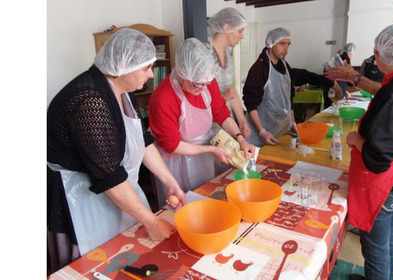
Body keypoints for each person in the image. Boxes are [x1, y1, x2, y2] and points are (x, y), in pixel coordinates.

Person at [47, 28, 184, 273]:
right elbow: (109, 178)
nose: (151, 75)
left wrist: (170, 181)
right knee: (93, 264)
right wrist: (151, 222)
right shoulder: (89, 100)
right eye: (146, 68)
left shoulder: (119, 89)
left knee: (122, 256)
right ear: (121, 65)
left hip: (111, 189)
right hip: (76, 198)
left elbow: (143, 141)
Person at [346, 23, 393, 280]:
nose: (375, 56)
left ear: (391, 55)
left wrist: (356, 139)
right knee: (389, 239)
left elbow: (377, 159)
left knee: (375, 247)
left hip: (385, 182)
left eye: (377, 51)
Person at [148, 38, 256, 208]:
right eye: (198, 84)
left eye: (207, 83)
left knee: (208, 198)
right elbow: (171, 145)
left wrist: (240, 138)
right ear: (182, 73)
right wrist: (210, 149)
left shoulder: (206, 81)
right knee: (183, 206)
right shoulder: (164, 97)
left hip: (206, 153)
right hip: (177, 160)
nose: (204, 89)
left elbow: (221, 113)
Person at [242, 27, 342, 147]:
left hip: (278, 133)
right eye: (282, 44)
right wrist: (262, 131)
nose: (286, 49)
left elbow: (289, 97)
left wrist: (292, 123)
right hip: (258, 138)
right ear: (270, 44)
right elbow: (251, 104)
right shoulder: (259, 69)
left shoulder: (284, 66)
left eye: (288, 44)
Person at [206, 7, 251, 139]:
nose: (242, 36)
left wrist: (242, 122)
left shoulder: (227, 55)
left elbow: (231, 92)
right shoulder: (204, 53)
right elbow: (196, 97)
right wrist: (222, 97)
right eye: (240, 31)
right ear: (226, 28)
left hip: (225, 122)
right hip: (206, 125)